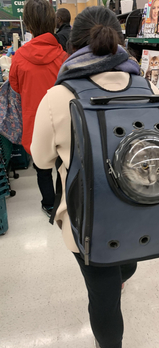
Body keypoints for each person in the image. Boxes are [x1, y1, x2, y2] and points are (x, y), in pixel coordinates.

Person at [31, 6, 159, 348]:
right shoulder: (144, 84)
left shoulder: (59, 96)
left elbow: (41, 158)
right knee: (125, 264)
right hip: (138, 204)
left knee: (102, 294)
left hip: (87, 216)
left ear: (73, 46)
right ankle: (121, 275)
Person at [9, 0, 67, 217]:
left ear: (28, 24)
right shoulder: (63, 56)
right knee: (64, 164)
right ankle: (66, 201)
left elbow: (15, 86)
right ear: (53, 22)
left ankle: (49, 204)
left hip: (35, 121)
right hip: (62, 121)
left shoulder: (20, 57)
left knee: (42, 167)